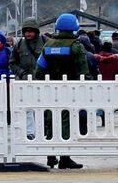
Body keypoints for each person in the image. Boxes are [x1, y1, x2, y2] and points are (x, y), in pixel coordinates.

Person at [35, 12, 91, 168]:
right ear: (74, 28)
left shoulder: (48, 45)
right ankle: (65, 158)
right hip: (70, 91)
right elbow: (83, 73)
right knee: (67, 122)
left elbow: (38, 72)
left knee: (50, 121)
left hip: (50, 90)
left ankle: (51, 156)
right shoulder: (76, 46)